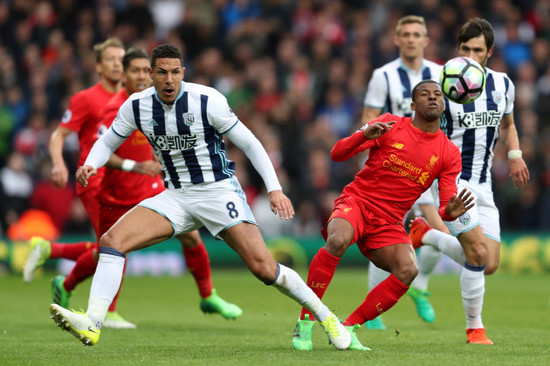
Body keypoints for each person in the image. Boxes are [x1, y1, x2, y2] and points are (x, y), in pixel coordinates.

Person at [49, 43, 351, 349]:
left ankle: (327, 318)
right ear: (151, 75)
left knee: (263, 268)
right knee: (112, 241)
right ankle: (93, 322)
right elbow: (107, 142)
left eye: (175, 72)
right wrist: (90, 164)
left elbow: (250, 143)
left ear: (183, 73)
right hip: (175, 196)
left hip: (217, 191)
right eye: (162, 73)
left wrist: (274, 188)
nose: (169, 80)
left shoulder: (207, 100)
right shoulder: (136, 105)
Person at [27, 42, 240, 328]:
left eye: (144, 71)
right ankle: (78, 290)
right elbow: (99, 147)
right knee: (112, 248)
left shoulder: (154, 102)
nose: (141, 77)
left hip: (151, 187)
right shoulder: (116, 107)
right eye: (134, 70)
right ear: (121, 75)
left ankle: (207, 294)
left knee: (190, 237)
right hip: (116, 192)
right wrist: (131, 166)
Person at [291, 80, 474, 351]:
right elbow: (337, 153)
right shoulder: (390, 124)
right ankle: (305, 321)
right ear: (413, 105)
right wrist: (364, 136)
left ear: (444, 104)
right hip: (358, 202)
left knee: (409, 269)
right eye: (425, 94)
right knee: (338, 240)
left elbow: (445, 205)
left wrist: (450, 212)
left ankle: (347, 327)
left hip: (389, 222)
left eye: (438, 95)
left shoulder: (448, 152)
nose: (433, 98)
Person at [408, 18, 529, 345]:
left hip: (483, 183)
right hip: (450, 180)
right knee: (475, 252)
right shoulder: (439, 85)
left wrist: (515, 154)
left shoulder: (503, 84)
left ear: (489, 52)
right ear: (457, 49)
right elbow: (418, 131)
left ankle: (427, 236)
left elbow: (507, 125)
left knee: (488, 263)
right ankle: (474, 328)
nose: (471, 56)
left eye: (478, 50)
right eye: (465, 49)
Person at [359, 15, 448, 329]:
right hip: (392, 164)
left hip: (427, 162)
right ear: (397, 40)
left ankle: (420, 285)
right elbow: (369, 116)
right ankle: (373, 310)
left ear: (426, 40)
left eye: (417, 34)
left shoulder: (440, 73)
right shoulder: (383, 75)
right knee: (385, 230)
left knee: (442, 231)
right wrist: (370, 140)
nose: (411, 39)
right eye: (406, 34)